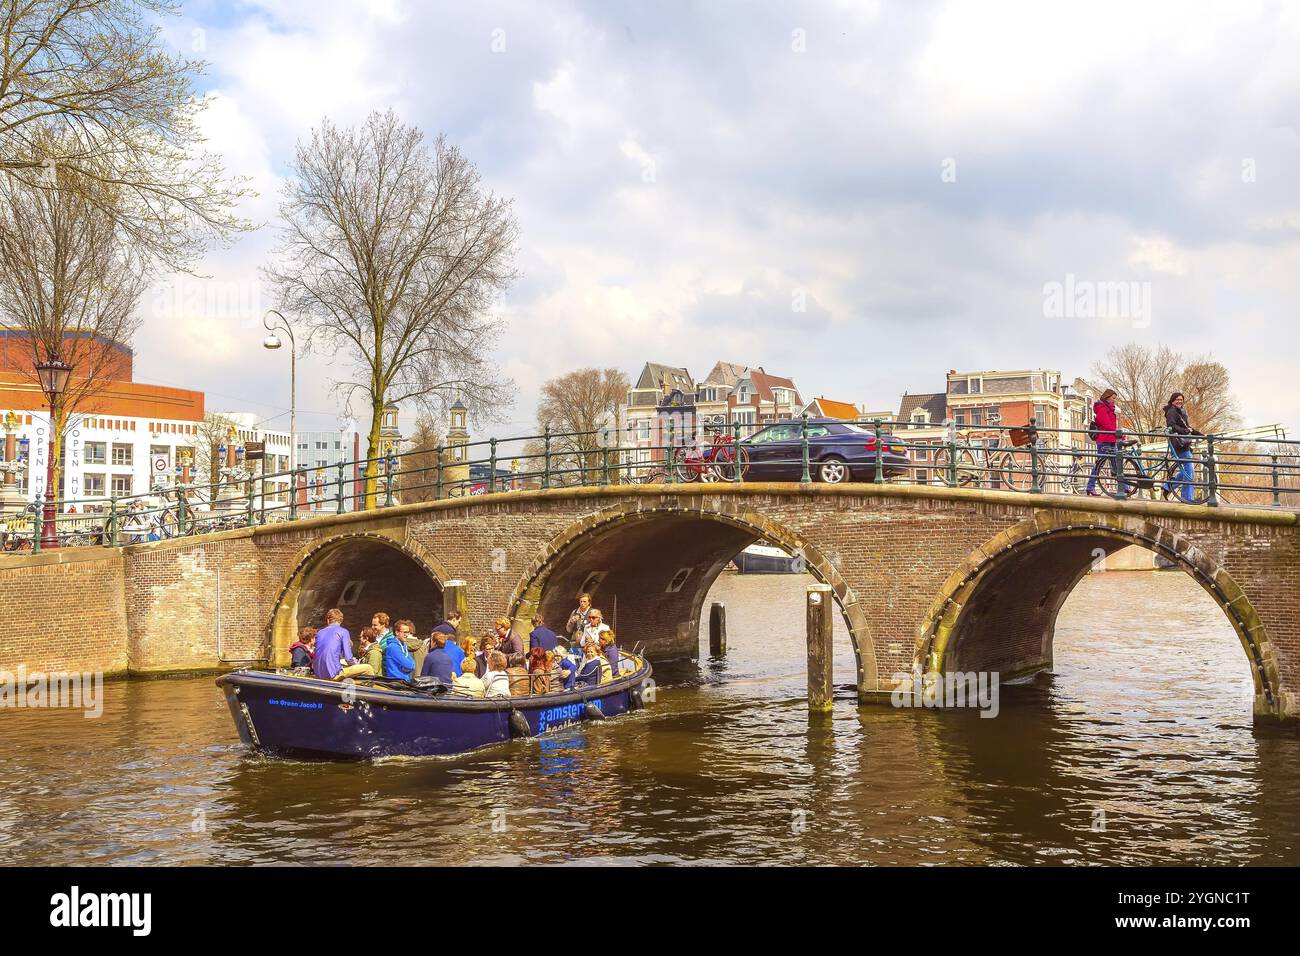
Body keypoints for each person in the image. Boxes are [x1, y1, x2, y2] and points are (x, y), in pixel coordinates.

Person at [1085, 388, 1125, 497]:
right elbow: (1107, 425)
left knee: (1116, 463)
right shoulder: (1102, 408)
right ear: (1107, 397)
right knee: (1100, 464)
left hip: (1111, 439)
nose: (1114, 400)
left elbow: (1110, 426)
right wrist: (1118, 434)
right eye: (1113, 398)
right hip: (1104, 440)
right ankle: (1090, 486)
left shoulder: (1109, 408)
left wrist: (1117, 434)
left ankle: (1124, 486)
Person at [1163, 391, 1202, 503]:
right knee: (1189, 472)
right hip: (1178, 444)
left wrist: (1200, 434)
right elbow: (1172, 426)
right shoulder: (1171, 412)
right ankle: (1187, 498)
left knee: (1187, 471)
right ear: (1173, 401)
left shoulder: (1182, 412)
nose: (1180, 401)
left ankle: (1167, 487)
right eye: (1177, 399)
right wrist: (1186, 431)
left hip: (1184, 444)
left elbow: (1187, 427)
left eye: (1181, 399)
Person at [313, 608, 372, 680]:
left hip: (318, 674)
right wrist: (355, 664)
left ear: (328, 620)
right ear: (341, 621)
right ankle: (373, 690)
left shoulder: (320, 632)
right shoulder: (343, 632)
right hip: (333, 674)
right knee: (368, 668)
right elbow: (348, 658)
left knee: (343, 663)